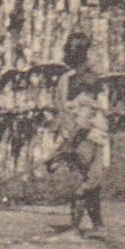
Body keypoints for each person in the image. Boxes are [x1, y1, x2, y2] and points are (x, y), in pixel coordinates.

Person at [45, 31, 108, 235]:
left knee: (91, 181)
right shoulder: (70, 79)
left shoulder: (86, 76)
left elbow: (85, 111)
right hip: (82, 133)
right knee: (90, 180)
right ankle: (81, 226)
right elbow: (70, 112)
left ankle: (92, 225)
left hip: (88, 132)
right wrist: (69, 138)